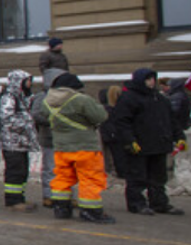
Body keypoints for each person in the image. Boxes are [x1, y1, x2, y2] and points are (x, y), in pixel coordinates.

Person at [111, 68, 186, 216]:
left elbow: (171, 120)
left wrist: (179, 137)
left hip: (159, 144)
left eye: (153, 79)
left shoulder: (160, 98)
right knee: (137, 177)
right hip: (139, 145)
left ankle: (159, 203)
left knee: (158, 178)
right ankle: (136, 203)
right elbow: (121, 122)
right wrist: (129, 140)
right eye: (148, 79)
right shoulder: (129, 98)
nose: (152, 82)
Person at [41, 72, 113, 223]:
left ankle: (61, 208)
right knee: (89, 178)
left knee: (62, 177)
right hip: (84, 147)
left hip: (61, 148)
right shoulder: (81, 100)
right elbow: (100, 116)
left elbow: (42, 116)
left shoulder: (47, 101)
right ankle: (90, 211)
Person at [0, 69, 40, 211]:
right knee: (15, 171)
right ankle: (12, 200)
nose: (30, 83)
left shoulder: (22, 97)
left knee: (22, 171)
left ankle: (19, 197)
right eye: (27, 80)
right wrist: (27, 121)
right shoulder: (9, 97)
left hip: (21, 142)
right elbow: (7, 118)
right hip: (12, 143)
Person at [31, 68, 64, 207]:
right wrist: (52, 120)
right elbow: (36, 113)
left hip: (64, 139)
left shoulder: (65, 95)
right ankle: (49, 195)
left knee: (64, 169)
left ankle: (64, 195)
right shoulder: (42, 96)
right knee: (50, 168)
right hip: (49, 137)